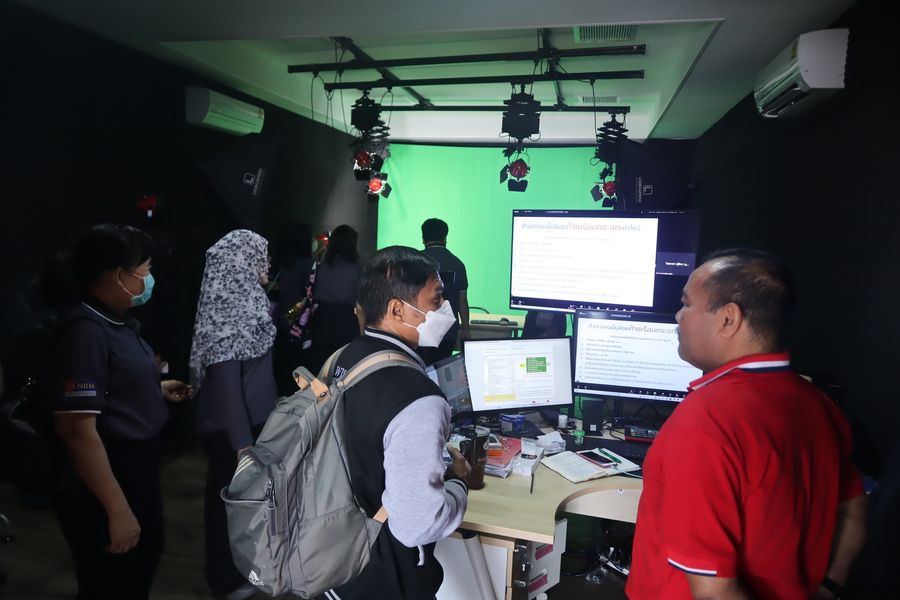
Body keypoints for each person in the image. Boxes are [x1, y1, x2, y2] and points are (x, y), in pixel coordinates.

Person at [626, 248, 866, 600]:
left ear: (728, 319)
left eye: (686, 304)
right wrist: (828, 588)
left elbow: (713, 593)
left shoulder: (705, 422)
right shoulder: (820, 405)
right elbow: (853, 511)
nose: (677, 316)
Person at [50, 224, 191, 600]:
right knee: (113, 581)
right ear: (118, 276)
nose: (149, 280)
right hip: (109, 473)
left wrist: (155, 390)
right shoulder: (85, 332)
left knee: (141, 563)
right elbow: (78, 431)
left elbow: (113, 384)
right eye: (144, 271)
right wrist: (118, 511)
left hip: (137, 467)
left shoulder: (114, 320)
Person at [328, 246, 469, 600]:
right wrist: (458, 483)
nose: (444, 308)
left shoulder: (343, 358)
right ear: (397, 309)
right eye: (436, 299)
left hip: (333, 560)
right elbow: (417, 525)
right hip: (382, 578)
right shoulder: (418, 398)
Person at [189, 229, 279, 600]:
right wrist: (243, 446)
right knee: (227, 506)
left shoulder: (250, 300)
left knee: (246, 505)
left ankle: (244, 567)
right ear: (241, 260)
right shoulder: (227, 308)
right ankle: (225, 578)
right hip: (232, 430)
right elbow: (227, 386)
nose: (266, 262)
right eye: (261, 254)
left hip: (249, 423)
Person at [306, 224, 363, 374]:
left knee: (319, 366)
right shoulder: (358, 267)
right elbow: (360, 299)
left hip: (321, 319)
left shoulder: (322, 265)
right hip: (345, 320)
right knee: (343, 367)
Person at [268, 222, 316, 395]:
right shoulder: (309, 264)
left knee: (281, 370)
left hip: (279, 323)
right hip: (300, 327)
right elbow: (308, 297)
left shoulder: (280, 263)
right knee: (298, 374)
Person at [419, 218, 469, 365]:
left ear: (423, 238)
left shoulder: (416, 262)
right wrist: (466, 328)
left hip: (422, 329)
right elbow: (462, 300)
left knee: (423, 368)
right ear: (445, 237)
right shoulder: (458, 264)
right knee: (443, 370)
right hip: (448, 331)